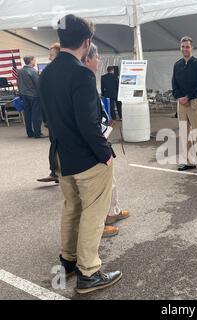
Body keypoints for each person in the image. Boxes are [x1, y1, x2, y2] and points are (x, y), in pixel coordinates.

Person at [38, 14, 122, 294]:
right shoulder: (82, 74)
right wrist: (105, 153)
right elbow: (88, 124)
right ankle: (90, 273)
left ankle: (68, 261)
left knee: (71, 208)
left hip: (62, 156)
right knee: (93, 214)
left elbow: (48, 118)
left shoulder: (47, 73)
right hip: (87, 158)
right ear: (87, 42)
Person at [82, 43, 130, 239]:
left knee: (110, 182)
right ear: (88, 59)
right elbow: (86, 122)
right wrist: (103, 152)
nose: (99, 60)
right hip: (92, 147)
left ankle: (113, 212)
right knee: (96, 189)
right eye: (97, 57)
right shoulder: (81, 81)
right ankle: (97, 226)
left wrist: (105, 118)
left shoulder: (89, 79)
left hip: (100, 140)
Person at [172, 36, 197, 177]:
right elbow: (174, 84)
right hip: (181, 104)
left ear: (191, 48)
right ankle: (189, 161)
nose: (185, 49)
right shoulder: (177, 65)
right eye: (183, 47)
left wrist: (188, 97)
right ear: (180, 48)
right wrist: (179, 97)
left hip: (194, 103)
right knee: (184, 134)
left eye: (187, 46)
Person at [37, 43, 61, 183]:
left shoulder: (52, 71)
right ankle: (55, 172)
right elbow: (44, 97)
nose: (49, 57)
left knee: (56, 144)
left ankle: (56, 172)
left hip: (55, 117)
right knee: (56, 144)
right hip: (55, 117)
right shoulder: (50, 72)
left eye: (51, 55)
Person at [18, 56, 46, 138]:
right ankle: (37, 133)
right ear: (30, 61)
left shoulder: (20, 71)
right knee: (36, 114)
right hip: (34, 95)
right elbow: (38, 84)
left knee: (27, 114)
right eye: (34, 60)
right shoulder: (33, 71)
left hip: (24, 95)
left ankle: (29, 132)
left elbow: (18, 84)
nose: (35, 61)